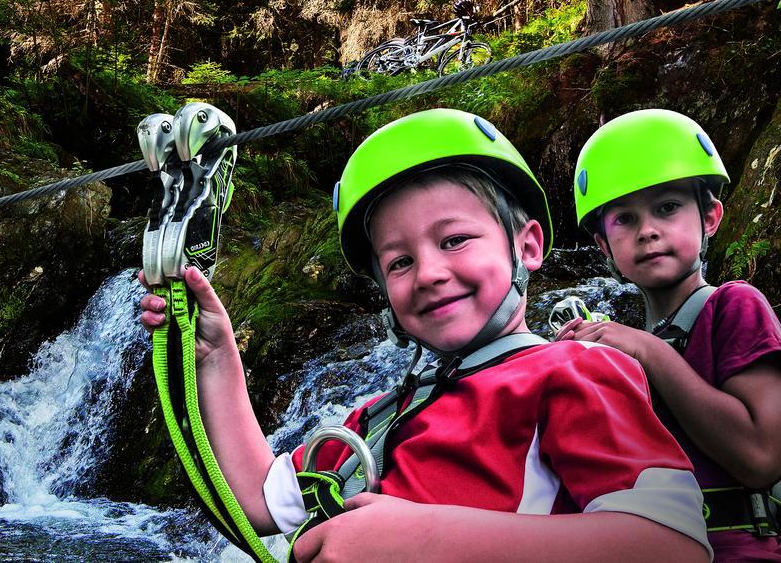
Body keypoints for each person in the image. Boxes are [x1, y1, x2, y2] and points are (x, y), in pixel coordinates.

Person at [140, 108, 710, 561]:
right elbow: (260, 501)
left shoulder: (576, 370)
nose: (430, 273)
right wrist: (214, 358)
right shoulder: (378, 417)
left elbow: (671, 544)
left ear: (529, 246)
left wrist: (418, 539)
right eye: (399, 262)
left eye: (455, 240)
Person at [557, 108, 781, 561]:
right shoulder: (620, 347)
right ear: (603, 245)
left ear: (710, 217)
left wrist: (650, 351)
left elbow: (761, 456)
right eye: (625, 219)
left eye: (667, 208)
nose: (648, 231)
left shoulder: (735, 305)